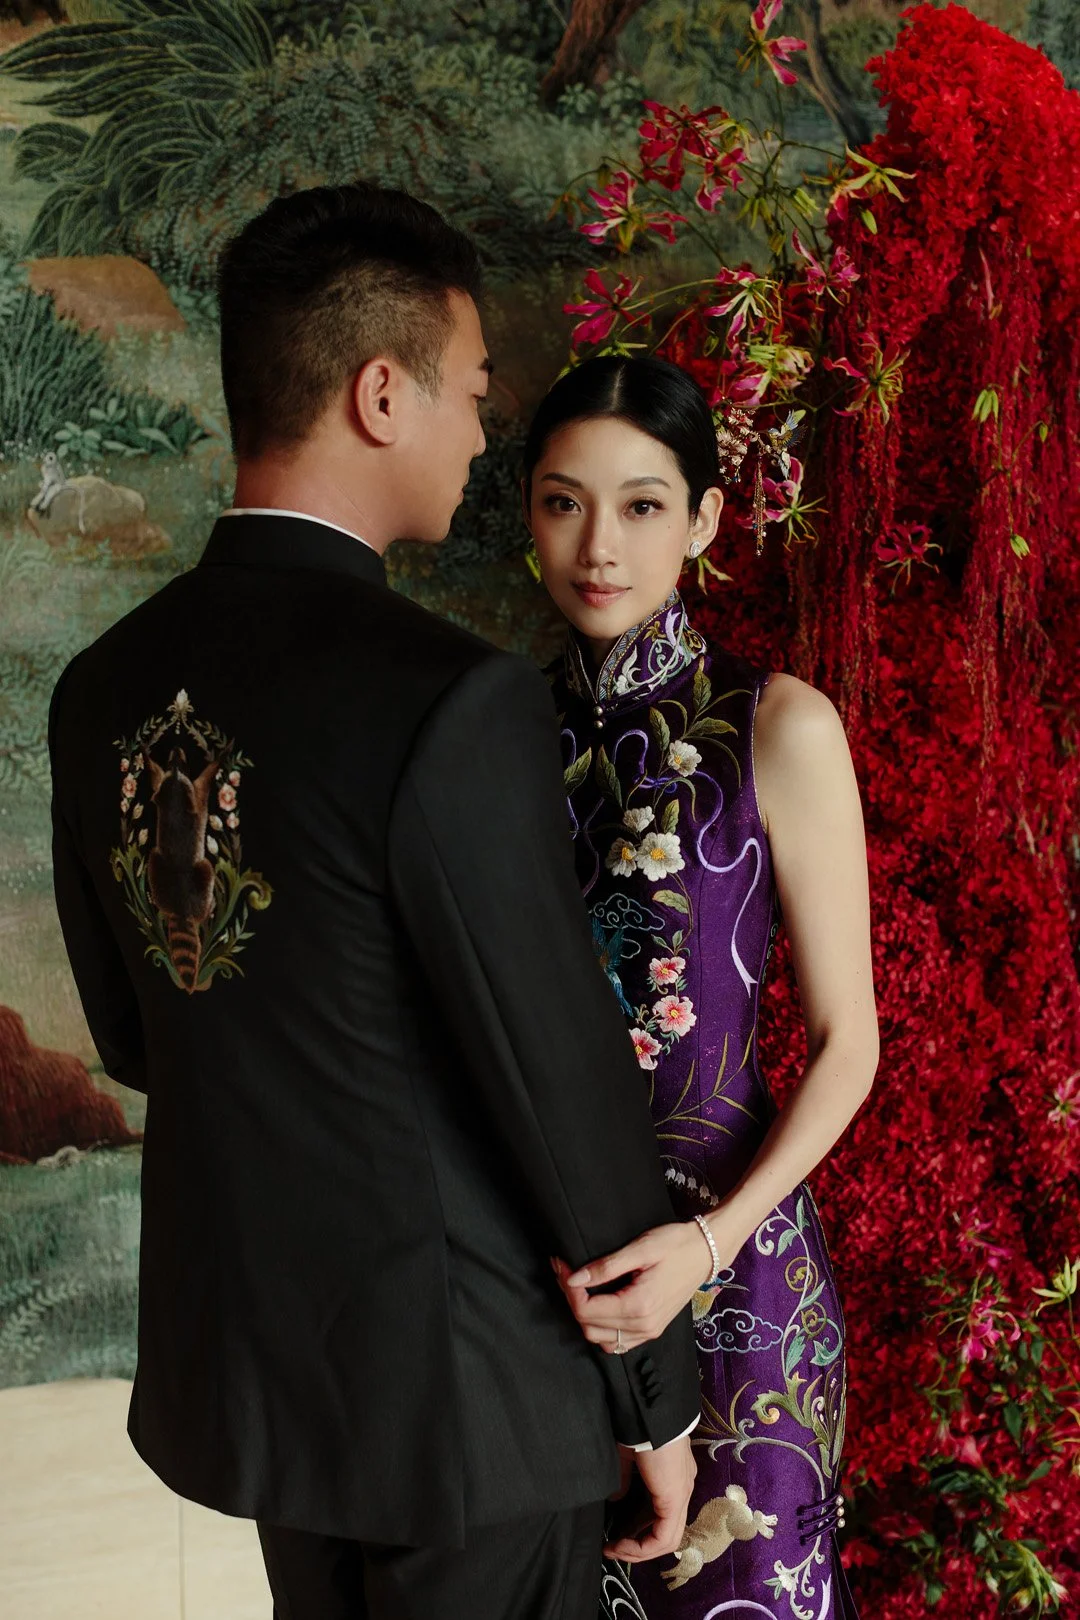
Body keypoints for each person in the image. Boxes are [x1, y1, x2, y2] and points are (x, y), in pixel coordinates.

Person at [46, 185, 701, 1620]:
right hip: (472, 1406)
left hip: (282, 1397)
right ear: (380, 393)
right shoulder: (445, 701)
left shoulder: (99, 692)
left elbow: (143, 1032)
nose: (482, 432)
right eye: (472, 393)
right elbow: (557, 1084)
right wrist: (657, 1399)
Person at [521, 354, 879, 1619]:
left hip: (742, 1288)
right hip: (546, 1297)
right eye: (564, 502)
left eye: (643, 504)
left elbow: (849, 1045)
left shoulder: (778, 726)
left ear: (708, 520)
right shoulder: (491, 734)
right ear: (527, 517)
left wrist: (711, 1243)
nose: (600, 546)